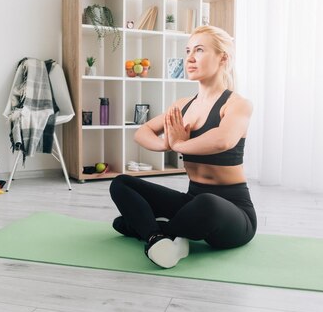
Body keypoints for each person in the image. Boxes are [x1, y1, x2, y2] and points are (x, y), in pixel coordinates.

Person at [109, 25, 257, 268]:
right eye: (188, 50)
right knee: (121, 183)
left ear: (223, 58)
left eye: (199, 50)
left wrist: (179, 143)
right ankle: (158, 238)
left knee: (207, 202)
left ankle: (156, 229)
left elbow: (223, 140)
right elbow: (142, 132)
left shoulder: (238, 104)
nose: (189, 58)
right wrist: (165, 144)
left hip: (232, 212)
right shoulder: (183, 105)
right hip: (192, 201)